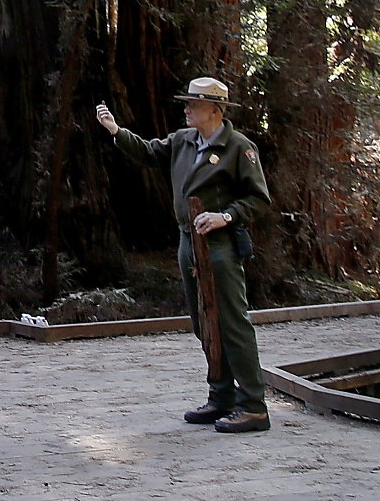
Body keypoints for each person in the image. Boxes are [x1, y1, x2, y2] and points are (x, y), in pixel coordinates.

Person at [97, 77, 274, 434]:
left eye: (193, 104)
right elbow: (149, 152)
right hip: (187, 242)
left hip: (220, 245)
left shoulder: (239, 148)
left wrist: (227, 215)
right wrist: (116, 131)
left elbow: (259, 199)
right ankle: (221, 397)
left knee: (232, 323)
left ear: (215, 109)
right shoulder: (183, 140)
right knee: (203, 321)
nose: (186, 108)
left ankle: (253, 405)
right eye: (187, 103)